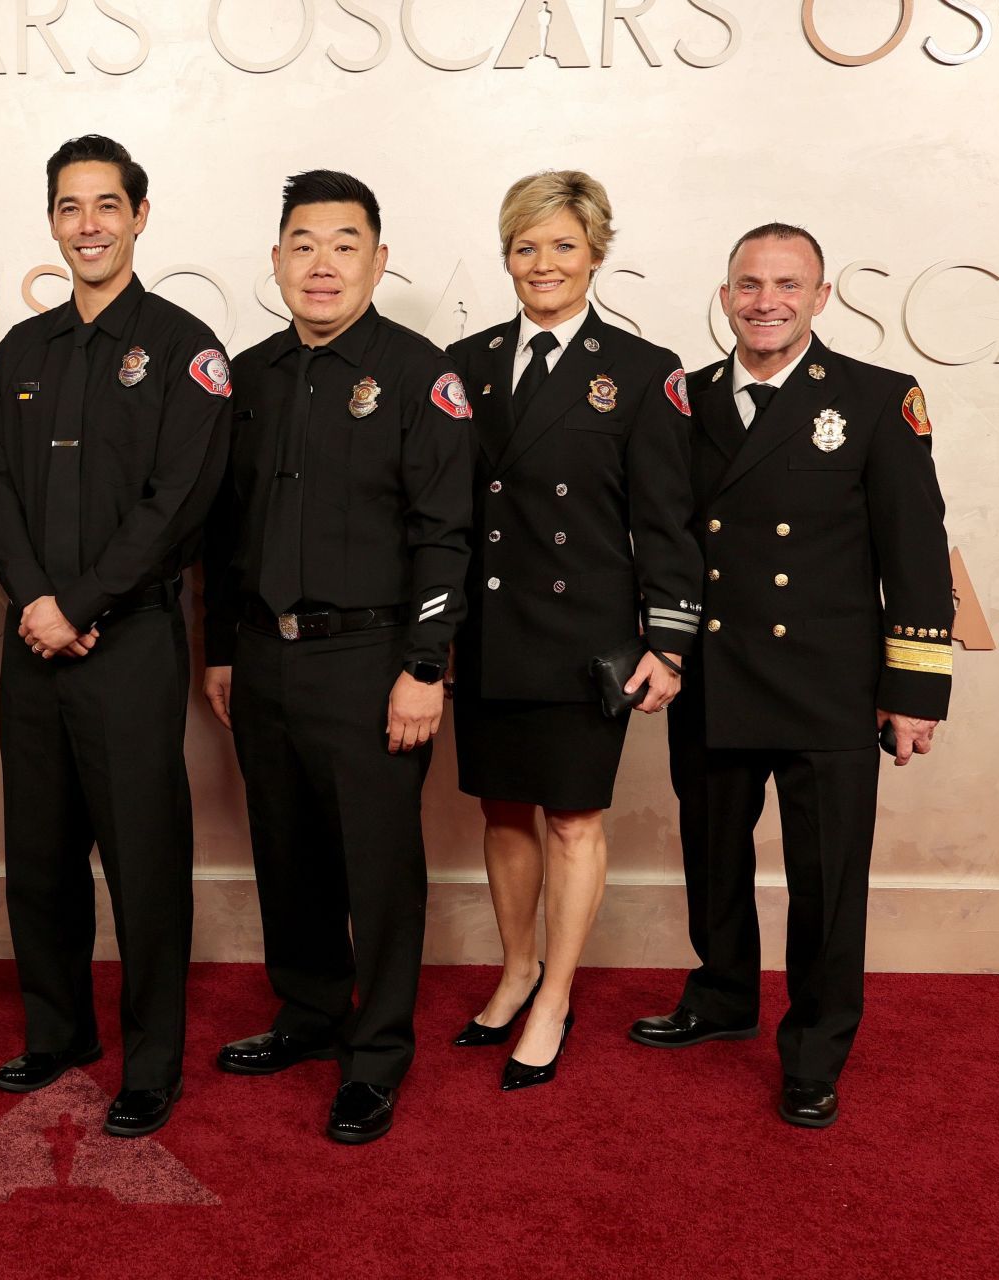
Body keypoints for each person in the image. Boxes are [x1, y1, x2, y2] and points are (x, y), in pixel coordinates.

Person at [630, 224, 953, 1128]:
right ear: (725, 294)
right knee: (712, 858)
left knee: (826, 881)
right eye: (748, 283)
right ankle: (723, 993)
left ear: (819, 297)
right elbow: (661, 537)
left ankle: (814, 1049)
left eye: (786, 284)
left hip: (829, 686)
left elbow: (916, 553)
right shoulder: (679, 399)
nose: (765, 299)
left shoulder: (878, 399)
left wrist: (914, 690)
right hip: (713, 674)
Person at [202, 170, 474, 1143]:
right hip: (263, 658)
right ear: (276, 260)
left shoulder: (416, 373)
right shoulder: (253, 375)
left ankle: (377, 1051)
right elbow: (226, 531)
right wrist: (221, 650)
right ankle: (310, 1013)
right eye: (304, 244)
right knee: (288, 851)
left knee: (378, 866)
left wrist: (427, 664)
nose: (322, 264)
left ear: (379, 259)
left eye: (345, 244)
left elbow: (449, 532)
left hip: (373, 660)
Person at [0, 135, 231, 1138]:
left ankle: (151, 1060)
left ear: (140, 216)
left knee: (143, 856)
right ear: (51, 221)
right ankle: (59, 1029)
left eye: (107, 205)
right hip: (37, 646)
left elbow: (179, 505)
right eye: (71, 207)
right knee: (37, 852)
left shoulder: (183, 347)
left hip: (127, 644)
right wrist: (37, 600)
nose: (89, 224)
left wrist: (76, 605)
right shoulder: (24, 351)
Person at [443, 171, 701, 1089]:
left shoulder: (640, 372)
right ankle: (515, 970)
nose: (542, 263)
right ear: (505, 254)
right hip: (489, 627)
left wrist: (667, 642)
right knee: (503, 809)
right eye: (525, 246)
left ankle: (556, 993)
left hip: (585, 638)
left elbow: (667, 521)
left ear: (595, 255)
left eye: (561, 246)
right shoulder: (463, 363)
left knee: (573, 819)